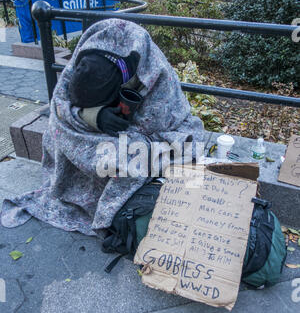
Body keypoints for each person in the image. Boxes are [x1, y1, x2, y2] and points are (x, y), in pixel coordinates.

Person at [1, 19, 204, 236]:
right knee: (57, 131)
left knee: (130, 155)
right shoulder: (89, 52)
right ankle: (78, 185)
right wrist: (93, 115)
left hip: (145, 128)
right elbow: (59, 105)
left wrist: (123, 119)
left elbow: (156, 126)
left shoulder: (156, 73)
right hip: (98, 123)